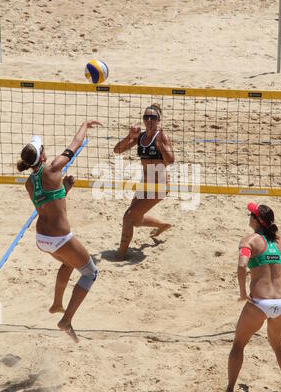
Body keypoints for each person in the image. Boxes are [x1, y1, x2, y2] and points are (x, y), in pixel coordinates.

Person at [17, 120, 101, 343]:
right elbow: (74, 144)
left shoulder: (29, 182)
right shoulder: (53, 168)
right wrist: (84, 124)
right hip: (58, 238)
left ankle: (56, 303)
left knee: (68, 263)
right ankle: (66, 320)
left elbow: (47, 205)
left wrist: (65, 189)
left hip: (42, 240)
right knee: (90, 273)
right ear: (42, 156)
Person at [223, 202, 281, 392]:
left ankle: (229, 391)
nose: (249, 216)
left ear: (256, 220)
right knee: (278, 345)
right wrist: (280, 281)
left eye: (251, 214)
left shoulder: (249, 241)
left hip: (259, 303)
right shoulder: (280, 243)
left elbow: (241, 266)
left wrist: (242, 292)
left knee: (238, 345)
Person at [114, 103, 175, 260]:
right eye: (146, 117)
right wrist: (130, 137)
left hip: (159, 186)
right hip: (145, 184)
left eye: (153, 117)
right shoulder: (140, 137)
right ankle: (162, 225)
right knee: (135, 219)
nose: (149, 120)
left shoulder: (162, 137)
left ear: (158, 120)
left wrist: (162, 147)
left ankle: (120, 254)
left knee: (128, 216)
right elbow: (117, 150)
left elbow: (170, 160)